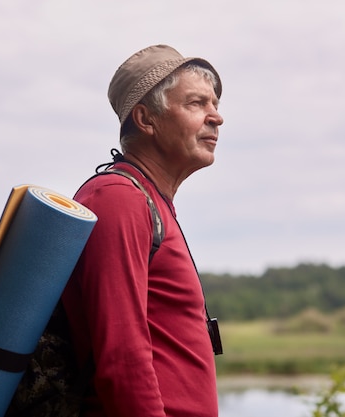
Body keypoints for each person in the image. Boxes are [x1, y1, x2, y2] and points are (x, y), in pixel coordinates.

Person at [61, 44, 224, 417]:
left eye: (214, 104)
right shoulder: (118, 199)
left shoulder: (149, 200)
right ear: (146, 119)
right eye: (197, 104)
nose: (216, 117)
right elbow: (122, 358)